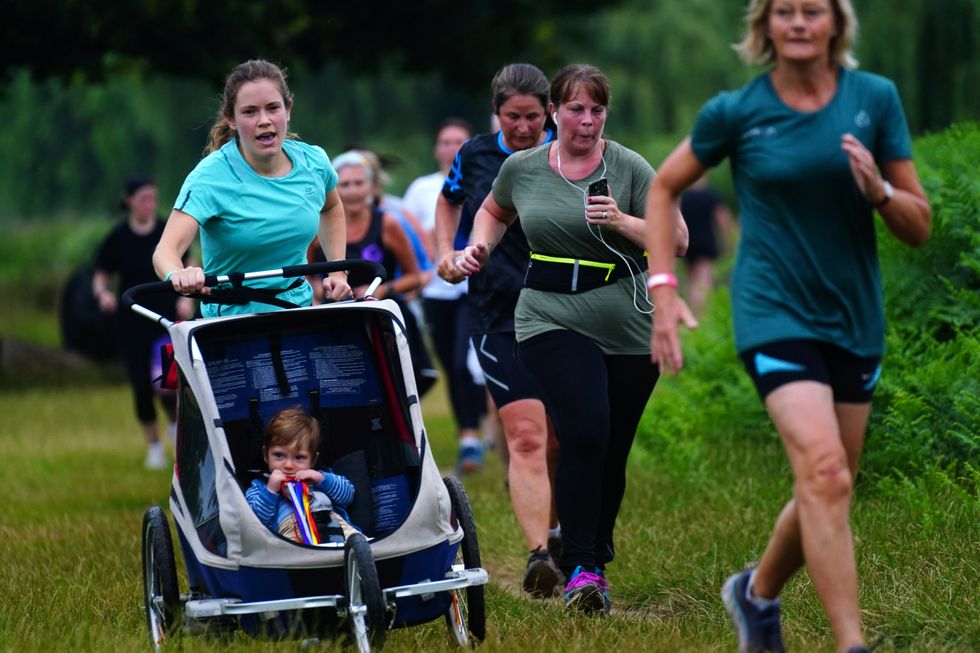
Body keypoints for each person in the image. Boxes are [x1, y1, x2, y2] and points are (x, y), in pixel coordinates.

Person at [645, 1, 931, 651]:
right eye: (784, 12)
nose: (798, 22)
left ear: (836, 24)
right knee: (825, 472)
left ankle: (755, 592)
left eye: (812, 10)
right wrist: (663, 291)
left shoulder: (874, 99)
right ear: (765, 27)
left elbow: (919, 225)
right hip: (772, 309)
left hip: (854, 315)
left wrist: (880, 192)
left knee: (830, 481)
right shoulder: (736, 111)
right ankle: (851, 642)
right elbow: (662, 188)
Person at [455, 64, 689, 613]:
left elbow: (676, 240)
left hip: (628, 319)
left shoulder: (628, 166)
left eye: (597, 111)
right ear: (554, 112)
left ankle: (592, 544)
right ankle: (584, 569)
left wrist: (625, 222)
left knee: (612, 448)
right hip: (549, 313)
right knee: (585, 428)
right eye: (576, 110)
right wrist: (479, 248)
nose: (586, 121)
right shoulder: (524, 167)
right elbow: (493, 210)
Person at [437, 63, 565, 598]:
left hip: (563, 306)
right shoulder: (475, 154)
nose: (522, 127)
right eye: (512, 117)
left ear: (549, 112)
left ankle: (560, 535)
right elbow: (449, 201)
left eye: (533, 117)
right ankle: (540, 553)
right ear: (498, 113)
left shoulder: (571, 150)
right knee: (527, 437)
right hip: (495, 308)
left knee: (560, 439)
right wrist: (446, 252)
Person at [152, 59, 351, 312]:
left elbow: (331, 208)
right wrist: (178, 274)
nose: (264, 120)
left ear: (288, 110)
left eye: (272, 108)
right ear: (230, 119)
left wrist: (337, 272)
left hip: (298, 314)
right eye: (250, 112)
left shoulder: (313, 162)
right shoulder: (210, 177)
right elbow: (165, 251)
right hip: (231, 325)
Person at [403, 119, 489, 473]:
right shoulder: (421, 189)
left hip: (475, 286)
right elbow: (406, 231)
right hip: (436, 290)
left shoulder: (484, 177)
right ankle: (469, 434)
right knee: (452, 369)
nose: (451, 146)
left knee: (462, 361)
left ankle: (473, 437)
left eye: (459, 140)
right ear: (436, 148)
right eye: (445, 141)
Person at [92, 174, 194, 469]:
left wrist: (186, 298)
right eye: (143, 198)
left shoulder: (166, 230)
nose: (149, 204)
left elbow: (186, 264)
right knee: (141, 384)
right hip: (131, 321)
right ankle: (153, 446)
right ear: (129, 202)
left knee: (168, 383)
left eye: (153, 197)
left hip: (165, 319)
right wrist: (103, 295)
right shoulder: (117, 237)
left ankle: (175, 428)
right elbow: (101, 275)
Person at [329, 151, 436, 397]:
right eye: (345, 184)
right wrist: (319, 288)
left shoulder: (387, 223)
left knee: (397, 388)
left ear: (372, 187)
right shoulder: (321, 225)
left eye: (359, 183)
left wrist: (380, 290)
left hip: (383, 313)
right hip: (337, 315)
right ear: (334, 188)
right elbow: (306, 271)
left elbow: (415, 276)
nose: (353, 191)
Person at [245, 407, 356, 543]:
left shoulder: (317, 479)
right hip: (290, 535)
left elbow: (348, 496)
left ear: (313, 460)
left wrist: (322, 479)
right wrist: (270, 491)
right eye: (279, 455)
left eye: (299, 458)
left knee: (358, 541)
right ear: (266, 455)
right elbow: (254, 522)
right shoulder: (260, 487)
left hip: (333, 525)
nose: (288, 465)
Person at [679, 175, 734, 317]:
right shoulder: (711, 195)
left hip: (687, 244)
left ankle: (691, 312)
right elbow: (723, 219)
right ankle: (701, 316)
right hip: (706, 243)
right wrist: (728, 241)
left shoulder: (684, 196)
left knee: (691, 281)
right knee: (704, 281)